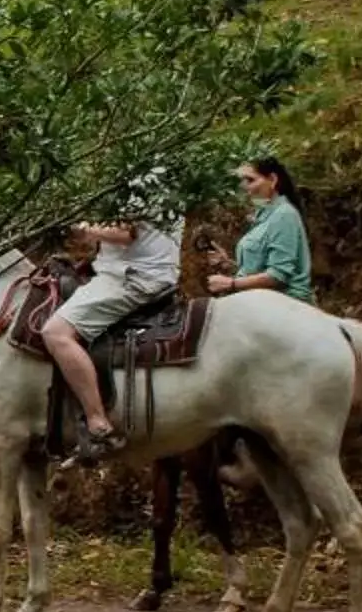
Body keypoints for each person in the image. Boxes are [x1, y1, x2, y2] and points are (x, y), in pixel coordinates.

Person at [40, 188, 187, 464]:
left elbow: (125, 233)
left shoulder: (140, 175)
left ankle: (98, 423)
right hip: (139, 269)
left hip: (134, 276)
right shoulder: (160, 169)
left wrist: (86, 229)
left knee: (56, 332)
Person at [204, 155, 312, 302]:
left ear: (273, 180)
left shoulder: (284, 214)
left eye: (250, 180)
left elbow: (278, 276)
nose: (244, 186)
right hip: (260, 302)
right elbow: (259, 269)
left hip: (284, 305)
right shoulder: (265, 214)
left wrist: (231, 284)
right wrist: (228, 264)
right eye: (243, 180)